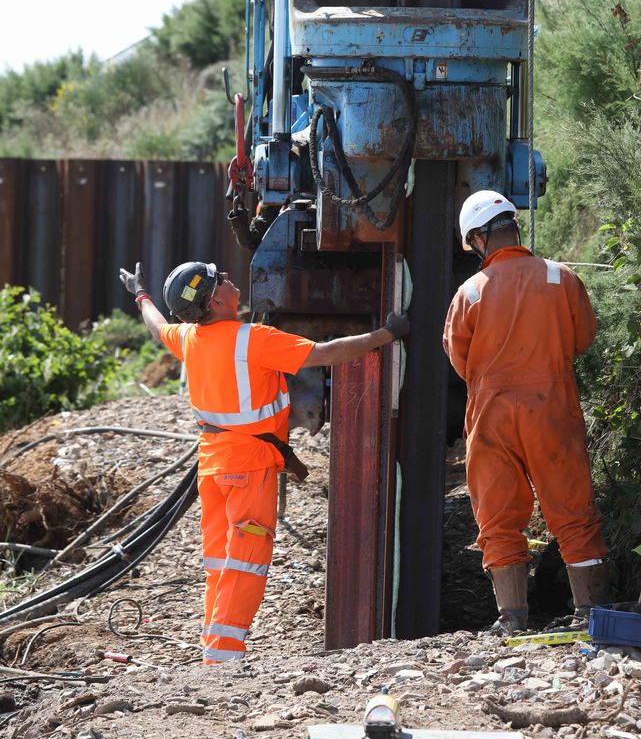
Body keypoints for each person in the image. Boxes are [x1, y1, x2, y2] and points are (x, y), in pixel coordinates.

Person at [119, 259, 409, 664]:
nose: (229, 279)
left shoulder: (188, 338)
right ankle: (222, 655)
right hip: (250, 466)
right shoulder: (251, 339)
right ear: (217, 298)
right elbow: (325, 354)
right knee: (247, 559)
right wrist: (386, 334)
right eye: (221, 278)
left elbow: (156, 325)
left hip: (214, 466)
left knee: (221, 560)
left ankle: (213, 647)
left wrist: (141, 294)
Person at [442, 190, 609, 634]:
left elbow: (459, 359)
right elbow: (583, 337)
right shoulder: (561, 277)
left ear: (477, 238)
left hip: (491, 414)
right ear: (513, 226)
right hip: (551, 407)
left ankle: (512, 619)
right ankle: (588, 612)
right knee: (571, 506)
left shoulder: (470, 292)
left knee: (497, 513)